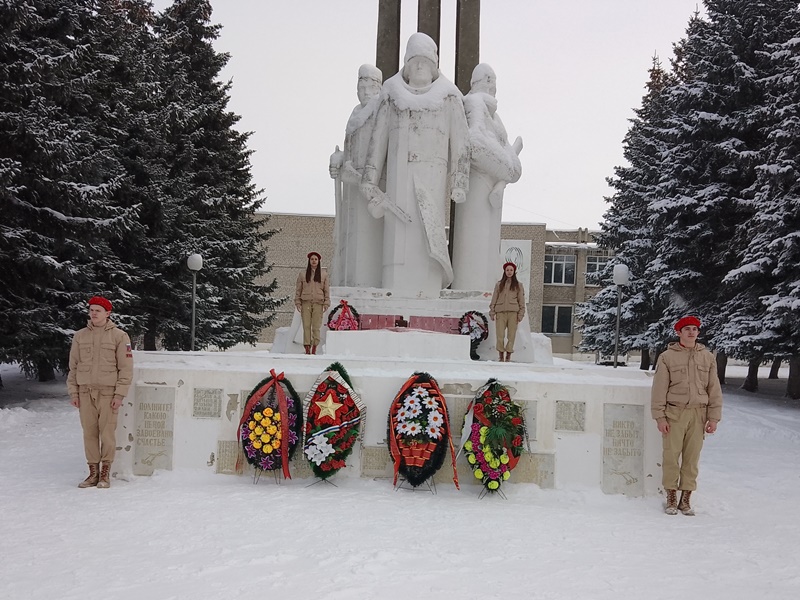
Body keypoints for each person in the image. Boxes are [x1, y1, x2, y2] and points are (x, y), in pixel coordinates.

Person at [361, 32, 470, 296]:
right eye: (414, 61)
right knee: (398, 242)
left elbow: (461, 145)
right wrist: (369, 179)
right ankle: (396, 289)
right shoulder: (392, 93)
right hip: (399, 181)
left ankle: (427, 287)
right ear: (407, 64)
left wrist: (460, 181)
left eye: (425, 61)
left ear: (433, 66)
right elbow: (378, 141)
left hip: (432, 178)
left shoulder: (449, 96)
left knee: (428, 237)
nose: (419, 67)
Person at [452, 63, 523, 291]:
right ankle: (470, 292)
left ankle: (485, 294)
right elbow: (474, 144)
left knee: (489, 248)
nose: (491, 85)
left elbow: (513, 161)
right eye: (487, 79)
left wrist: (508, 171)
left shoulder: (496, 117)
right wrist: (506, 170)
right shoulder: (472, 104)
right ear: (475, 83)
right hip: (478, 187)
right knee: (474, 246)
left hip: (493, 191)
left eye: (493, 81)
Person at [651, 315, 723, 515]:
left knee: (692, 458)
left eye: (694, 329)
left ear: (698, 333)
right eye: (687, 329)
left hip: (698, 415)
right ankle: (671, 496)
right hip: (674, 413)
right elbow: (659, 389)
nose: (691, 332)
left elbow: (714, 388)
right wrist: (660, 417)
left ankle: (686, 498)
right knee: (671, 456)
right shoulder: (667, 357)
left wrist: (714, 418)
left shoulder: (707, 357)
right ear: (679, 333)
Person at [67, 296, 133, 489]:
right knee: (89, 433)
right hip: (85, 392)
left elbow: (126, 368)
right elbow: (73, 367)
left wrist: (119, 394)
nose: (94, 313)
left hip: (108, 393)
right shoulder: (80, 336)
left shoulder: (120, 336)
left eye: (98, 310)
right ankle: (92, 472)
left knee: (107, 434)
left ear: (108, 313)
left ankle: (105, 473)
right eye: (91, 310)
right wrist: (74, 393)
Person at [329, 64, 384, 288]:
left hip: (371, 187)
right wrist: (340, 160)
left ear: (378, 86)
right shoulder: (355, 114)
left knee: (367, 244)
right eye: (360, 83)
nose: (363, 88)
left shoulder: (381, 112)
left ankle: (364, 285)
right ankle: (348, 284)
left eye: (369, 83)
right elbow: (350, 149)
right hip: (351, 190)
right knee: (350, 240)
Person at [488, 262, 526, 362]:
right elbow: (494, 299)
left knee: (511, 335)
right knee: (500, 334)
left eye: (511, 270)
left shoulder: (518, 285)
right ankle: (501, 354)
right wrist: (492, 312)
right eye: (507, 270)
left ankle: (508, 354)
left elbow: (521, 301)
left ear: (514, 272)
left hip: (513, 313)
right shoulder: (499, 285)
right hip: (500, 313)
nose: (509, 272)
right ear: (504, 271)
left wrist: (521, 314)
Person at [295, 251, 330, 354]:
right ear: (309, 261)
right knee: (306, 325)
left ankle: (314, 346)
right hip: (305, 302)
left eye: (315, 259)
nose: (314, 261)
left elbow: (326, 290)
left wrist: (326, 302)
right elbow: (298, 290)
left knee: (316, 326)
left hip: (318, 303)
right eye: (312, 259)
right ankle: (307, 347)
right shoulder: (303, 274)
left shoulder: (323, 275)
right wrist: (297, 302)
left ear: (318, 261)